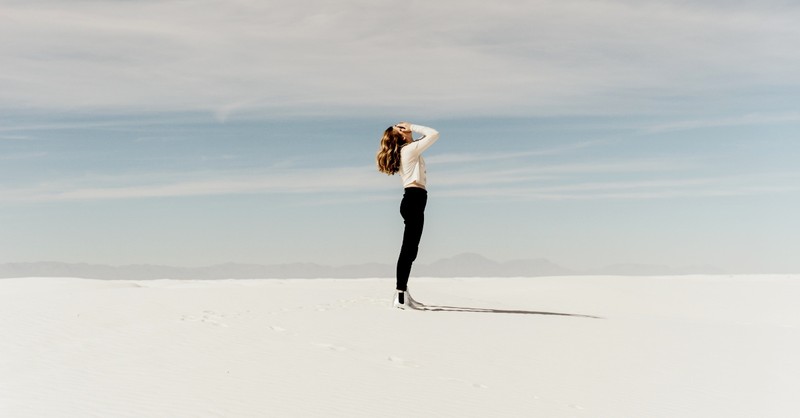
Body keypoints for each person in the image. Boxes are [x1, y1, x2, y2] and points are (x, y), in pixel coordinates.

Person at [376, 122, 440, 310]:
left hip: (414, 200)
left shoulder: (409, 149)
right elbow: (434, 133)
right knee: (408, 250)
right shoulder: (409, 150)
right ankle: (401, 297)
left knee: (411, 250)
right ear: (401, 135)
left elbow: (426, 138)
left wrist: (409, 131)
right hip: (414, 200)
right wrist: (412, 125)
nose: (406, 128)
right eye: (401, 128)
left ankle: (403, 293)